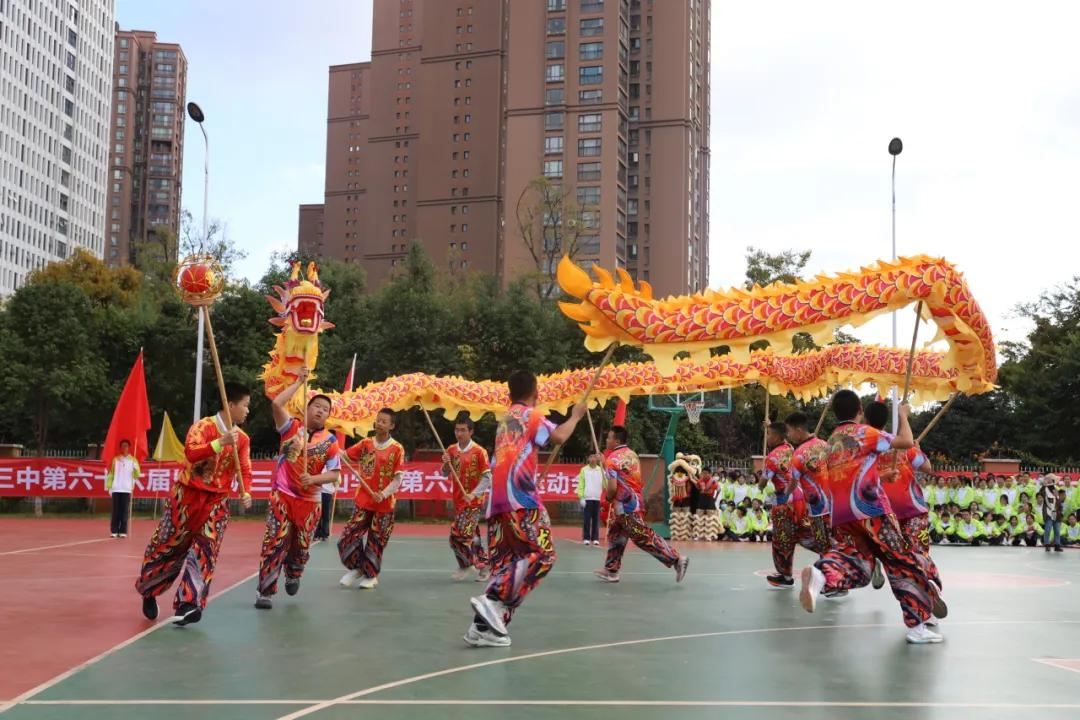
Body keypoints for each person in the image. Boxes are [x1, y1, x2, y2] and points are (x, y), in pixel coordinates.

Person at [799, 393, 944, 644]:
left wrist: (882, 475)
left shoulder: (832, 440)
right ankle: (917, 626)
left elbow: (854, 468)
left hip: (842, 513)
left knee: (857, 564)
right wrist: (903, 415)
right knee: (901, 563)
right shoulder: (864, 433)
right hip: (871, 509)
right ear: (859, 412)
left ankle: (821, 573)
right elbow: (906, 441)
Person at [464, 370, 587, 648]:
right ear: (535, 392)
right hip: (520, 498)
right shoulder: (531, 415)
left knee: (508, 564)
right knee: (544, 555)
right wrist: (576, 415)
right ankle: (492, 599)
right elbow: (558, 437)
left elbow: (517, 454)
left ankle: (482, 627)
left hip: (497, 501)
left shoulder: (504, 420)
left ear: (509, 394)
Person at [135, 383, 253, 625]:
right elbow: (191, 452)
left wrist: (246, 491)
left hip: (217, 503)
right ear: (230, 405)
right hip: (187, 498)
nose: (247, 411)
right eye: (245, 406)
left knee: (206, 550)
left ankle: (188, 604)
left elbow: (245, 470)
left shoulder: (242, 439)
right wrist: (221, 442)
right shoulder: (203, 427)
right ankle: (150, 589)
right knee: (168, 546)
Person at [256, 368, 341, 610]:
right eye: (317, 406)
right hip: (282, 496)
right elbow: (276, 404)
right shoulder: (290, 427)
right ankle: (265, 592)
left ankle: (294, 573)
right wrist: (298, 382)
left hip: (310, 503)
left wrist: (313, 479)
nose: (320, 410)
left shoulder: (330, 442)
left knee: (301, 546)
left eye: (325, 409)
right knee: (274, 541)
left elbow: (334, 474)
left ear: (327, 417)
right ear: (306, 408)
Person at [594, 426, 688, 583]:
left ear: (616, 440)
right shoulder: (631, 455)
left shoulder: (612, 459)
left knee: (641, 535)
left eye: (609, 437)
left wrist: (609, 498)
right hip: (633, 501)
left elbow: (612, 487)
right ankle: (611, 570)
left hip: (626, 506)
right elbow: (626, 476)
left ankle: (677, 559)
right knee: (616, 535)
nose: (607, 440)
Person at [868, 405, 941, 595]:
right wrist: (918, 448)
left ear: (865, 420)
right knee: (917, 554)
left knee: (896, 557)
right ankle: (930, 586)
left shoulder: (862, 449)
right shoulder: (902, 445)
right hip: (910, 510)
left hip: (880, 513)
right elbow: (927, 467)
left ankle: (877, 559)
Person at [338, 408, 406, 589]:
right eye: (378, 420)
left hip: (384, 504)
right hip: (363, 500)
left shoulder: (397, 449)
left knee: (376, 541)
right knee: (347, 537)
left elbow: (398, 478)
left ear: (391, 425)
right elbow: (344, 455)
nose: (379, 424)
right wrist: (333, 448)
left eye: (384, 421)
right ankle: (356, 568)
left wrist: (383, 494)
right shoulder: (365, 444)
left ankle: (370, 575)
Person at [783, 412, 834, 586]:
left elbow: (792, 482)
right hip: (835, 505)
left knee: (824, 546)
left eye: (789, 431)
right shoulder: (825, 445)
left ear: (798, 430)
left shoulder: (798, 455)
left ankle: (833, 583)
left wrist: (785, 494)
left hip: (818, 508)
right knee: (830, 544)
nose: (788, 435)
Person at [442, 415, 493, 580]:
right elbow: (444, 473)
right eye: (457, 430)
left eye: (463, 430)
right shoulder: (451, 450)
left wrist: (474, 493)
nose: (459, 433)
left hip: (473, 502)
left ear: (471, 431)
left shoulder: (479, 452)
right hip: (458, 500)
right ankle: (485, 566)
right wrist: (445, 463)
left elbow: (487, 478)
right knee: (474, 536)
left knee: (457, 535)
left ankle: (465, 564)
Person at [761, 421, 797, 586]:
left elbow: (762, 483)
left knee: (781, 541)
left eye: (769, 434)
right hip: (799, 498)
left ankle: (785, 576)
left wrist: (760, 484)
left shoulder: (772, 458)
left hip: (783, 502)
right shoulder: (790, 448)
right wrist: (769, 426)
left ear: (776, 436)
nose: (767, 437)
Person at [106, 439, 140, 538]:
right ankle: (114, 530)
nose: (124, 447)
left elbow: (137, 475)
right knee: (115, 510)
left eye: (126, 446)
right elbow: (111, 474)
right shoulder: (116, 459)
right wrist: (109, 487)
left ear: (129, 448)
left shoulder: (133, 460)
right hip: (116, 488)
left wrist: (135, 468)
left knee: (124, 510)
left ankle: (123, 531)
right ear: (120, 448)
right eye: (122, 446)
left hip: (126, 488)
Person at [577, 454, 605, 546]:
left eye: (594, 457)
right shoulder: (584, 470)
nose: (593, 458)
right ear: (588, 459)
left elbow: (605, 484)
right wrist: (581, 497)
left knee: (596, 519)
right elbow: (581, 484)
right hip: (587, 498)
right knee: (586, 519)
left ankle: (595, 538)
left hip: (597, 498)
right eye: (591, 457)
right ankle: (586, 537)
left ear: (597, 459)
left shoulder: (601, 470)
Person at [1037, 474, 1064, 552]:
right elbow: (1040, 493)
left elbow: (1058, 501)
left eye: (1051, 480)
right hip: (1048, 512)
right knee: (1048, 529)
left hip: (1056, 513)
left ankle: (1057, 545)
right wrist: (1044, 485)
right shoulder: (1044, 489)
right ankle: (1047, 544)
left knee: (1057, 530)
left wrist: (1060, 511)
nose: (1050, 482)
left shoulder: (1055, 490)